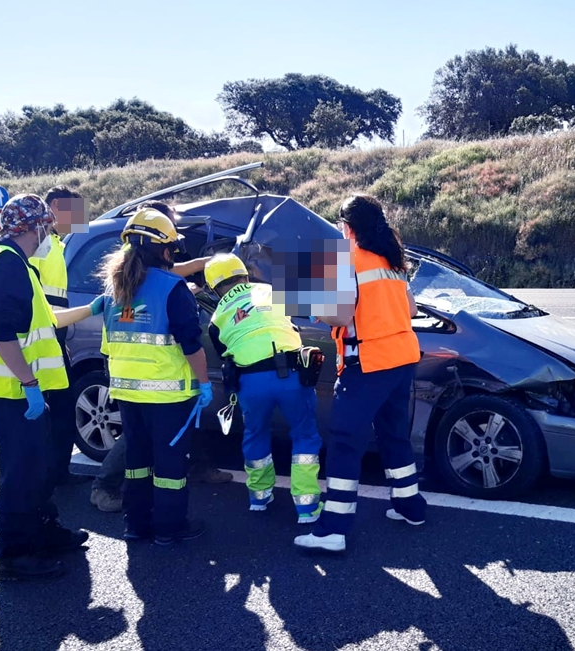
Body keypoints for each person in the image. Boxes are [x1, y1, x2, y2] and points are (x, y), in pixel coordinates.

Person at [0, 194, 105, 580]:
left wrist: (92, 309)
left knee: (38, 464)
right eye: (48, 226)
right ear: (36, 225)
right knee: (21, 468)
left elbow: (46, 320)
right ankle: (15, 552)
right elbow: (2, 333)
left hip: (16, 390)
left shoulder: (18, 262)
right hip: (7, 391)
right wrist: (30, 384)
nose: (50, 232)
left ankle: (43, 531)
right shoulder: (6, 264)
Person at [294, 194, 426, 553]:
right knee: (394, 435)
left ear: (347, 227)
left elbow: (338, 316)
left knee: (344, 440)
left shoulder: (343, 258)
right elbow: (410, 309)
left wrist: (310, 301)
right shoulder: (391, 259)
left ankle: (333, 528)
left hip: (368, 363)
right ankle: (410, 506)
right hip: (402, 359)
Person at [89, 200, 226, 513]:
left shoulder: (116, 287)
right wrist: (203, 383)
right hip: (164, 390)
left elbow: (117, 334)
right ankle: (169, 527)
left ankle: (137, 524)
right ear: (164, 247)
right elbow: (190, 344)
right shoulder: (170, 288)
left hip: (126, 388)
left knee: (138, 463)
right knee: (168, 467)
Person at [204, 252, 324, 522]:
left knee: (255, 433)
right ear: (244, 274)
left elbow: (225, 353)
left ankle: (259, 497)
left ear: (214, 288)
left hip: (251, 381)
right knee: (304, 435)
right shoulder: (270, 290)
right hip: (292, 375)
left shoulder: (217, 317)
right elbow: (309, 311)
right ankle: (307, 508)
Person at [30, 185, 90, 491]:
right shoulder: (39, 245)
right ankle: (52, 476)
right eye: (74, 212)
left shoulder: (55, 244)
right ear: (54, 206)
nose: (79, 220)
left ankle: (57, 474)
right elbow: (34, 297)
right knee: (57, 410)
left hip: (54, 339)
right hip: (41, 341)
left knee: (61, 409)